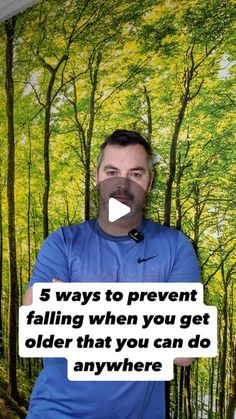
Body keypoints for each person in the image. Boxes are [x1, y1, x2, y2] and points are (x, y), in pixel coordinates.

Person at [23, 129, 200, 419]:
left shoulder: (176, 247)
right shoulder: (63, 242)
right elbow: (37, 320)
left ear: (150, 182)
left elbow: (183, 351)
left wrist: (76, 310)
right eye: (112, 171)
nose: (122, 184)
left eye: (136, 174)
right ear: (97, 177)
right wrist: (154, 316)